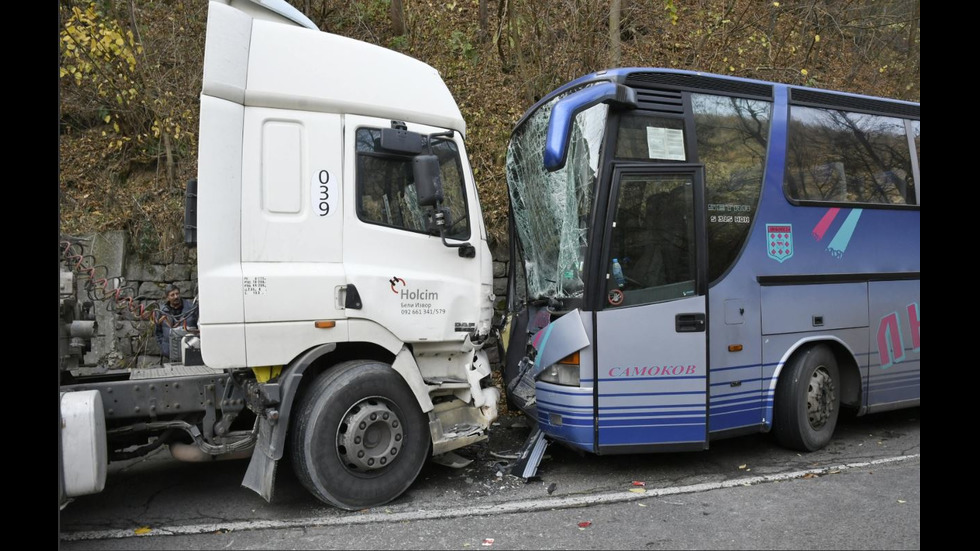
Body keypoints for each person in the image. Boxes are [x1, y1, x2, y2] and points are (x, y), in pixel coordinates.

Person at [155, 284, 199, 362]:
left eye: (177, 294)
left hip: (189, 351)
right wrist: (163, 347)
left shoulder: (191, 308)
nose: (176, 296)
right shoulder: (161, 312)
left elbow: (199, 327)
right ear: (167, 297)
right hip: (169, 355)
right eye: (172, 295)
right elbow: (158, 332)